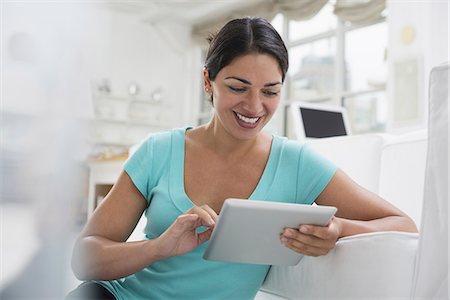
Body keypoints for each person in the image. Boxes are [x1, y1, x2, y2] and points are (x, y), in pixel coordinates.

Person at [67, 17, 417, 300]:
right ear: (208, 81)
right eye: (237, 87)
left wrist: (340, 228)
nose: (254, 107)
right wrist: (159, 247)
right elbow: (84, 259)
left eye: (270, 91)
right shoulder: (158, 151)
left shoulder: (297, 163)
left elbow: (402, 225)